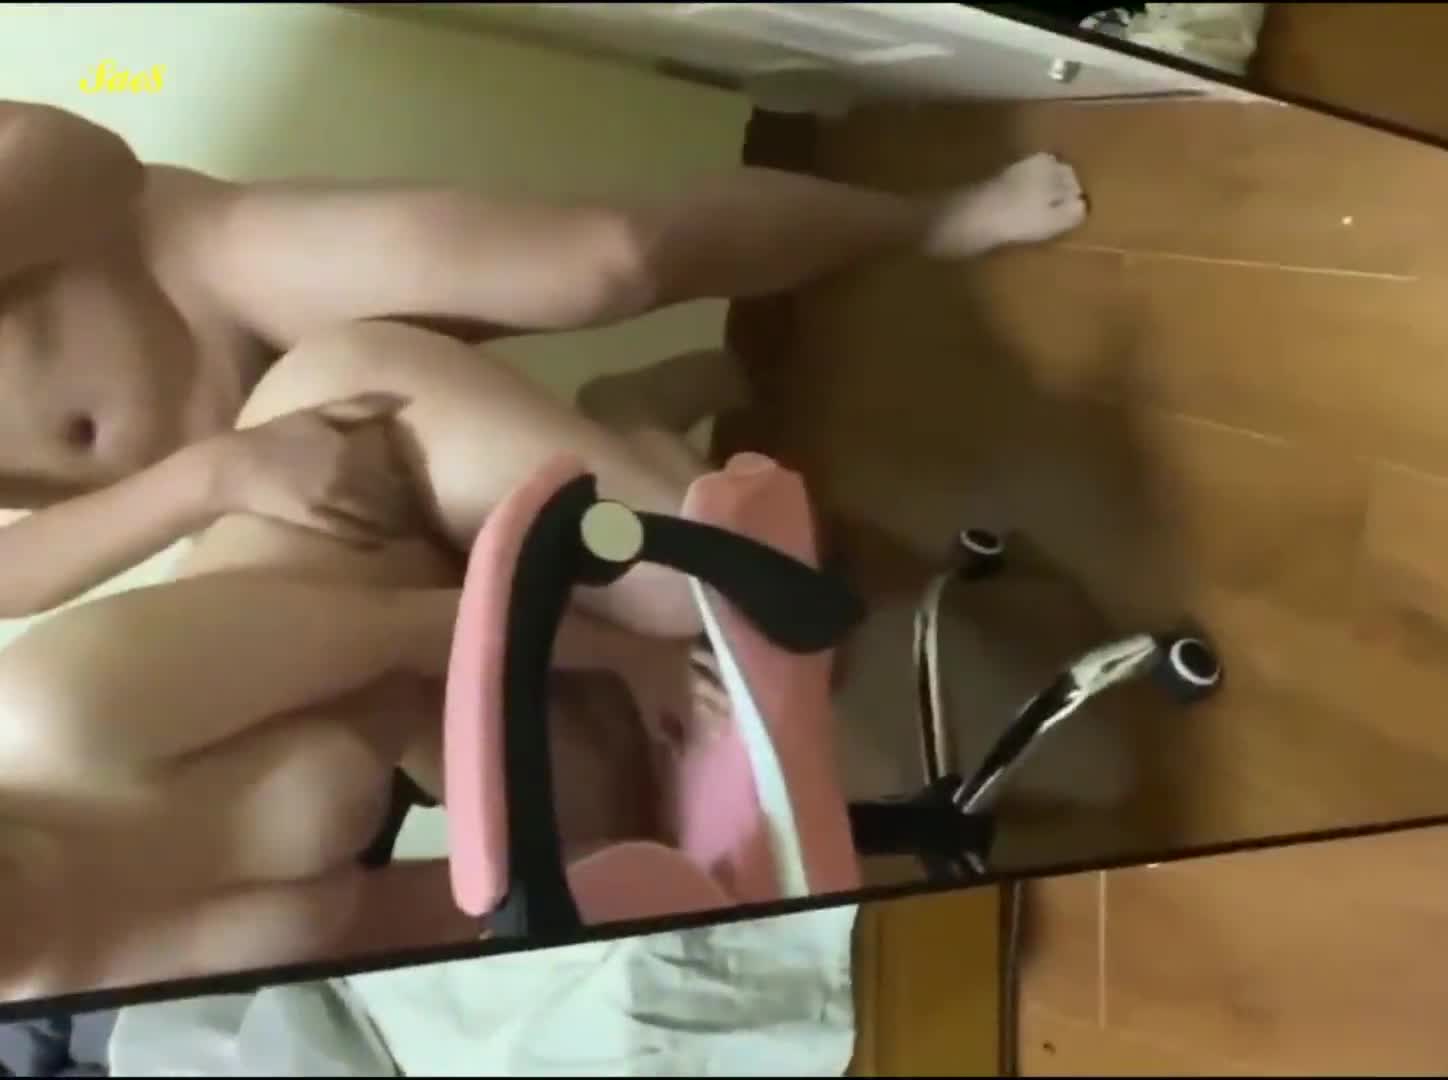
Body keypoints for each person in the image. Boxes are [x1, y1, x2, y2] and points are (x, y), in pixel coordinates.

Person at [0, 100, 1089, 631]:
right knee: (634, 605)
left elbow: (97, 166)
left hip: (194, 267)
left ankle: (923, 218)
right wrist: (212, 477)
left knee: (600, 263)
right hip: (207, 467)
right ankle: (633, 419)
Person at [0, 318, 792, 1004]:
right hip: (424, 683)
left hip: (374, 478)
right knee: (637, 841)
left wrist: (636, 660)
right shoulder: (57, 979)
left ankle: (629, 419)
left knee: (687, 600)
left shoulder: (54, 714)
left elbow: (398, 625)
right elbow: (440, 913)